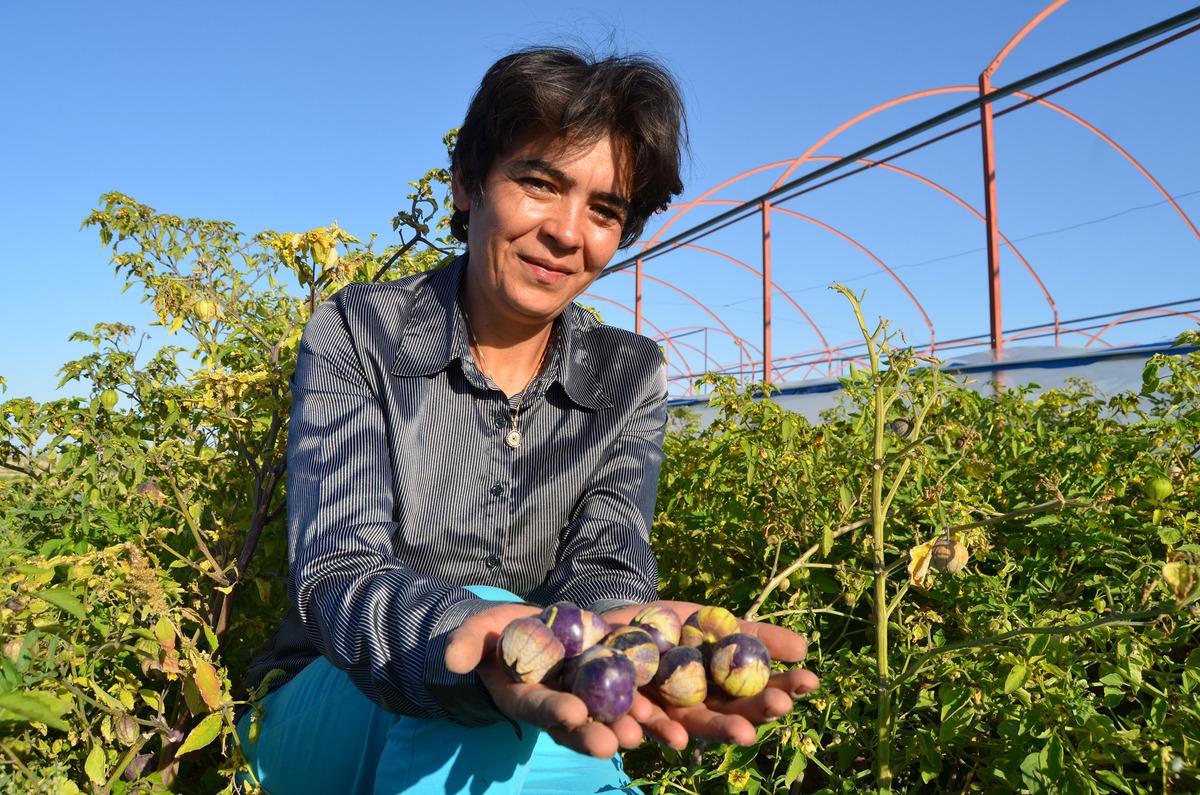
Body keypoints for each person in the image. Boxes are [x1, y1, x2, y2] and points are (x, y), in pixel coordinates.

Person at [237, 46, 819, 794]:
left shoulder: (627, 374)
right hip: (332, 700)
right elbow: (338, 573)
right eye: (541, 183)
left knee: (522, 716)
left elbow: (606, 565)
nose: (569, 232)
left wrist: (629, 631)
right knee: (503, 656)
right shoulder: (360, 333)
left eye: (605, 210)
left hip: (528, 708)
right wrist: (465, 629)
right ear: (468, 182)